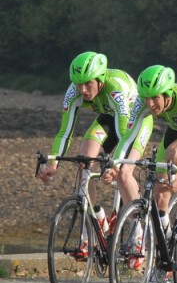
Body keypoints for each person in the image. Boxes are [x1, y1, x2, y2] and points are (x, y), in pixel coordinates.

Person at [38, 51, 153, 258]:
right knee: (84, 161)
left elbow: (124, 135)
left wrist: (114, 165)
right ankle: (93, 225)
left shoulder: (116, 88)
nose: (82, 90)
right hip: (108, 119)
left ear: (100, 80)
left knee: (124, 173)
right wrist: (53, 162)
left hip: (133, 124)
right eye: (78, 84)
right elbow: (65, 132)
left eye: (87, 84)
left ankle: (138, 231)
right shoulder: (73, 91)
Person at [109, 65, 177, 269]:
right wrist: (115, 163)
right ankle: (166, 253)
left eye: (155, 98)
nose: (150, 104)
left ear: (168, 94)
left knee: (176, 155)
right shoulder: (143, 102)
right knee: (160, 192)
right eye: (146, 98)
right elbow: (127, 137)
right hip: (175, 130)